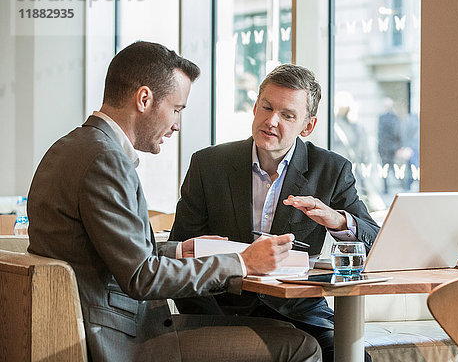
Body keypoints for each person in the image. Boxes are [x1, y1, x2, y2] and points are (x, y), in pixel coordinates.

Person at [26, 42, 321, 362]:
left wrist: (181, 250)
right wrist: (243, 263)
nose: (177, 124)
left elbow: (108, 257)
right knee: (301, 346)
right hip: (119, 339)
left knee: (284, 334)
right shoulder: (105, 160)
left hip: (109, 324)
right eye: (177, 109)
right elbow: (142, 277)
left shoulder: (73, 146)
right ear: (144, 99)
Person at [169, 64, 380, 362]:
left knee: (351, 357)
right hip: (222, 309)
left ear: (307, 126)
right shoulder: (208, 165)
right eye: (266, 108)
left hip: (300, 311)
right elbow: (180, 252)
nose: (271, 121)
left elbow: (375, 241)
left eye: (287, 115)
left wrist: (338, 220)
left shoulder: (331, 170)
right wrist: (208, 316)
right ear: (254, 108)